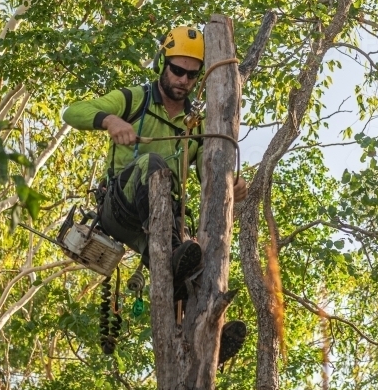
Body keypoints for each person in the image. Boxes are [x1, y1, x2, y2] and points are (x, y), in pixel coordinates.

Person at [62, 26, 248, 364]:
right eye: (177, 70)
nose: (183, 80)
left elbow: (209, 176)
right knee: (154, 163)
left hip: (163, 223)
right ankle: (174, 255)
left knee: (193, 266)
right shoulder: (135, 99)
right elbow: (73, 112)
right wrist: (111, 121)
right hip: (120, 209)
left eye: (192, 76)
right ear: (162, 65)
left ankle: (204, 338)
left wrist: (230, 187)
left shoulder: (194, 126)